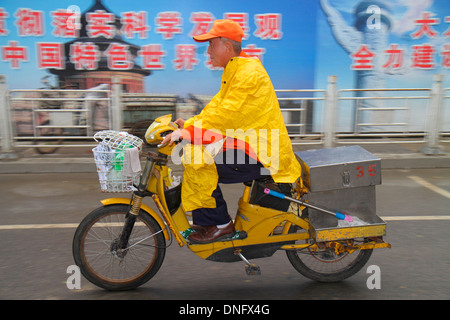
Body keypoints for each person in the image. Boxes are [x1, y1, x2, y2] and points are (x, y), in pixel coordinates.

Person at [162, 19, 301, 244]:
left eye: (211, 45)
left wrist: (188, 134)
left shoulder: (248, 73)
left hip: (264, 153)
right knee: (195, 154)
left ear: (226, 46)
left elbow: (226, 115)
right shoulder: (237, 70)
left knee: (200, 160)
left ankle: (221, 225)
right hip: (250, 145)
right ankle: (209, 222)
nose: (208, 51)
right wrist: (188, 126)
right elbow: (214, 109)